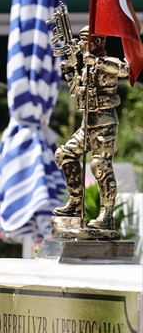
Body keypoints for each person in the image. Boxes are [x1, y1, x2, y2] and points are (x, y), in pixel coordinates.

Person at [53, 28, 131, 231]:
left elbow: (124, 69)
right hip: (87, 124)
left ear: (97, 41)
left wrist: (96, 61)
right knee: (65, 154)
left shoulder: (105, 63)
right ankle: (76, 200)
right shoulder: (86, 66)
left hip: (104, 123)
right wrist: (71, 73)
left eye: (85, 40)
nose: (82, 44)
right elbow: (79, 94)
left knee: (100, 165)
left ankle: (106, 213)